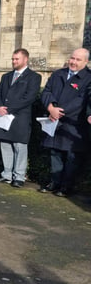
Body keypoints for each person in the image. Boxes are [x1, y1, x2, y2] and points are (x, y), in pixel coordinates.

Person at [38, 48, 91, 196]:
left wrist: (59, 112)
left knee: (71, 158)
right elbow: (46, 91)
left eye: (78, 60)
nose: (73, 62)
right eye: (72, 58)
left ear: (86, 62)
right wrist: (50, 107)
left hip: (73, 124)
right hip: (54, 121)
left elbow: (81, 101)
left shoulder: (88, 78)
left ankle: (66, 187)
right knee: (55, 153)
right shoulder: (58, 74)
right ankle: (54, 183)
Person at [0, 48, 41, 187]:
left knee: (19, 147)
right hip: (3, 116)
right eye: (13, 59)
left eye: (16, 59)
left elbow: (29, 98)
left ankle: (19, 176)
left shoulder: (34, 77)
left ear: (25, 59)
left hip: (20, 118)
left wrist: (9, 109)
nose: (14, 61)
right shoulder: (6, 77)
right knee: (5, 145)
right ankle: (6, 174)